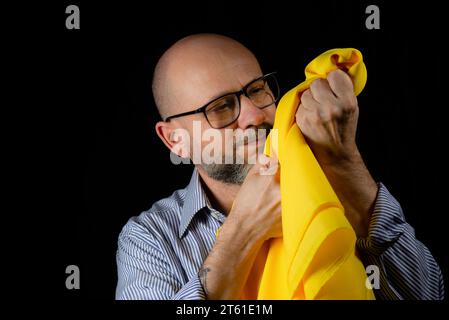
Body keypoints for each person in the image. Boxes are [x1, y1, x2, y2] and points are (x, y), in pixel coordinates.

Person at [115, 33, 444, 300]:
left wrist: (344, 165)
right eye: (221, 107)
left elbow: (427, 294)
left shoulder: (333, 184)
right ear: (175, 140)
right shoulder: (150, 238)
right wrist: (243, 232)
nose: (255, 116)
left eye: (257, 90)